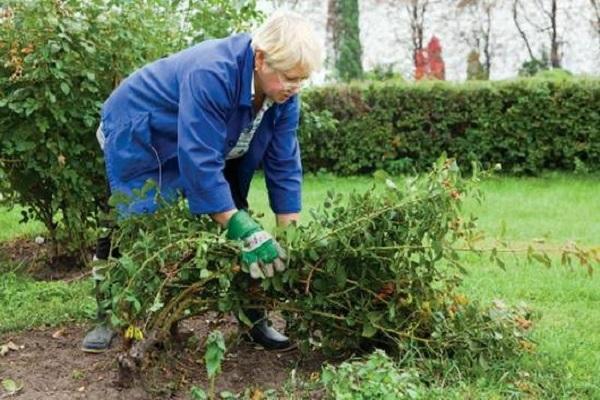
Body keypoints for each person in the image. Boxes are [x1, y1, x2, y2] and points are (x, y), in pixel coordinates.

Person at [81, 10, 323, 353]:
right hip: (142, 130)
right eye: (289, 77)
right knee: (129, 220)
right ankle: (107, 314)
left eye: (302, 79)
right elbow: (199, 160)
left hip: (215, 140)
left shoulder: (285, 95)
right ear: (260, 59)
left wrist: (290, 237)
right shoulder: (213, 72)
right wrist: (239, 226)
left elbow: (284, 164)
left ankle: (252, 314)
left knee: (239, 213)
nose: (295, 87)